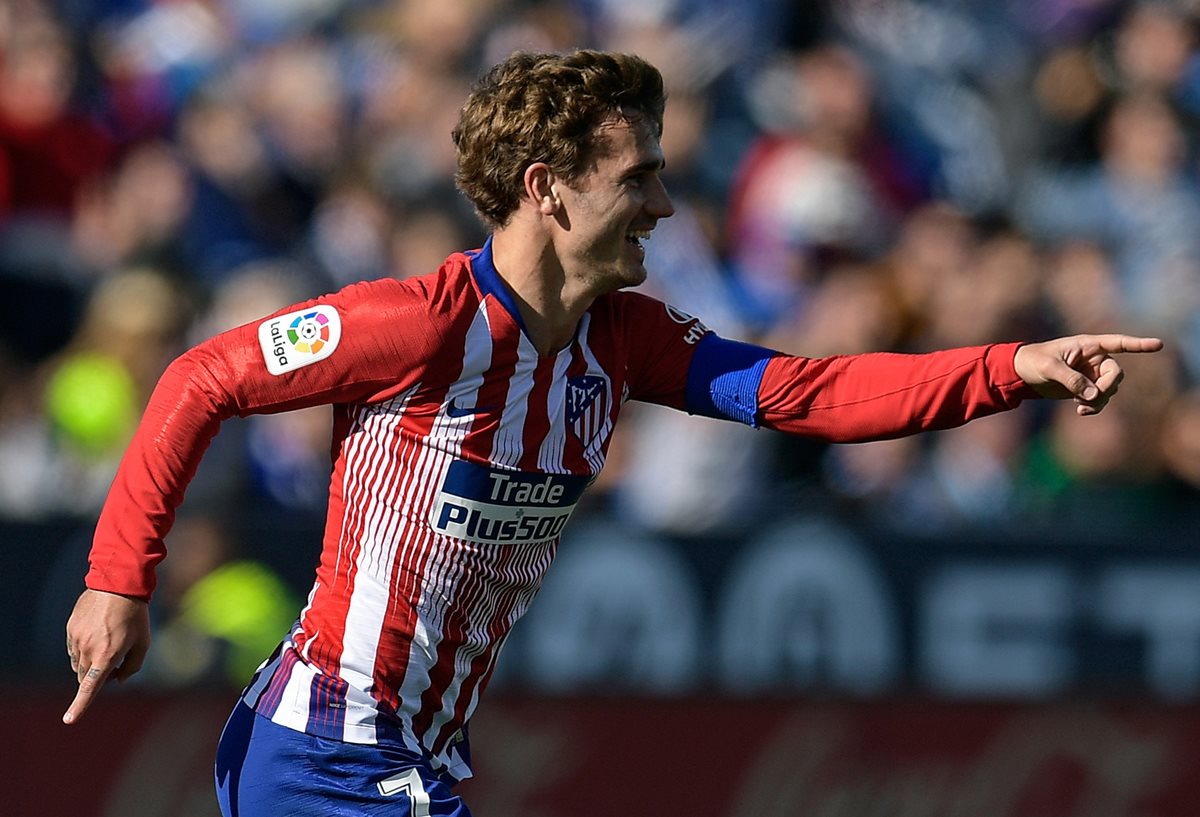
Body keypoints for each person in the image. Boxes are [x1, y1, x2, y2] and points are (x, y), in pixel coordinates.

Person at [63, 49, 1162, 817]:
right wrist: (118, 579)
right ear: (545, 190)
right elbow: (200, 373)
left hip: (402, 755)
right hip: (328, 753)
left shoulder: (623, 340)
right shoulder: (420, 322)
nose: (667, 205)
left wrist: (1014, 367)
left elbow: (810, 394)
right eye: (638, 178)